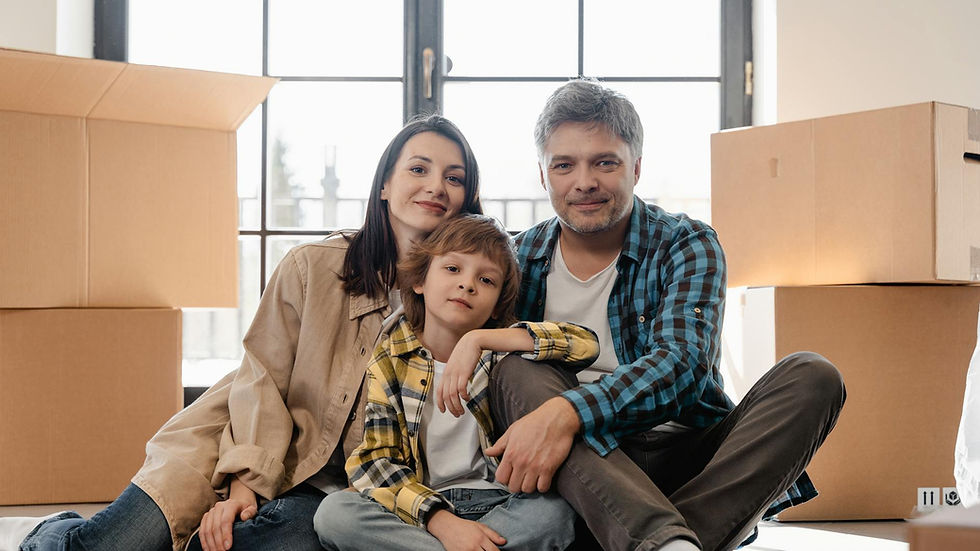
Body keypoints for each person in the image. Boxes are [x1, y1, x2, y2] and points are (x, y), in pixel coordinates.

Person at [2, 114, 483, 551]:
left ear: (467, 198)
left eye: (453, 178)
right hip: (233, 438)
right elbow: (262, 379)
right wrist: (243, 485)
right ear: (384, 185)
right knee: (108, 545)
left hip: (332, 490)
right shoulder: (312, 267)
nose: (436, 186)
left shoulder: (466, 298)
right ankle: (51, 533)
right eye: (418, 169)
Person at [471, 80, 847, 551]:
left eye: (605, 162)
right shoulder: (517, 258)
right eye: (564, 165)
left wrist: (568, 412)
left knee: (814, 376)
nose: (584, 181)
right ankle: (672, 541)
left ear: (637, 168)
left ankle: (652, 535)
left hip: (687, 453)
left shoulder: (685, 243)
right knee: (516, 367)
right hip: (581, 467)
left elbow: (683, 365)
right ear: (544, 175)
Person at [313, 214, 599, 551]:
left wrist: (479, 339)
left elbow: (585, 344)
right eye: (452, 269)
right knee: (335, 513)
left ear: (496, 306)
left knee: (555, 510)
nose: (468, 284)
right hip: (423, 510)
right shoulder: (391, 357)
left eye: (487, 280)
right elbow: (376, 460)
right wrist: (442, 523)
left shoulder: (498, 354)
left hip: (499, 502)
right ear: (420, 281)